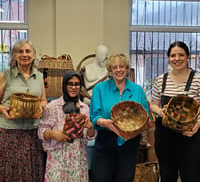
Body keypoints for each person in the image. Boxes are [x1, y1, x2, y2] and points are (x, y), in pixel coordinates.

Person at [90, 53, 150, 182]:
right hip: (106, 141)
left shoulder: (137, 90)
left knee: (125, 178)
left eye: (122, 66)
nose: (119, 70)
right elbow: (94, 116)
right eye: (115, 67)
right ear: (110, 70)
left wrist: (134, 130)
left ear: (127, 68)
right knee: (101, 178)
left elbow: (147, 118)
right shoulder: (99, 89)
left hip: (130, 142)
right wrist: (105, 123)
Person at [150, 41, 200, 182]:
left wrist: (198, 125)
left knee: (192, 176)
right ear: (168, 58)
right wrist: (160, 111)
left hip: (190, 137)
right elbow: (153, 104)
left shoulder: (197, 79)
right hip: (165, 138)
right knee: (167, 177)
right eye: (173, 55)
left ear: (188, 56)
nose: (177, 59)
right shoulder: (161, 80)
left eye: (181, 55)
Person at [0, 39, 47, 181]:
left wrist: (41, 106)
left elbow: (44, 100)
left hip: (32, 133)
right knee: (10, 172)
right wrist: (2, 108)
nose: (24, 54)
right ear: (14, 56)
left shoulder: (39, 77)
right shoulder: (5, 76)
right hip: (9, 133)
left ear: (33, 55)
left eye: (28, 51)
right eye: (20, 51)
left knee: (31, 173)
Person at [38, 70, 96, 182]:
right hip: (57, 158)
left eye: (77, 84)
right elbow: (41, 131)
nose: (73, 87)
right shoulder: (52, 107)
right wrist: (54, 134)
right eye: (70, 84)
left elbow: (89, 136)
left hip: (77, 159)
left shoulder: (84, 108)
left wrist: (90, 128)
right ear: (64, 85)